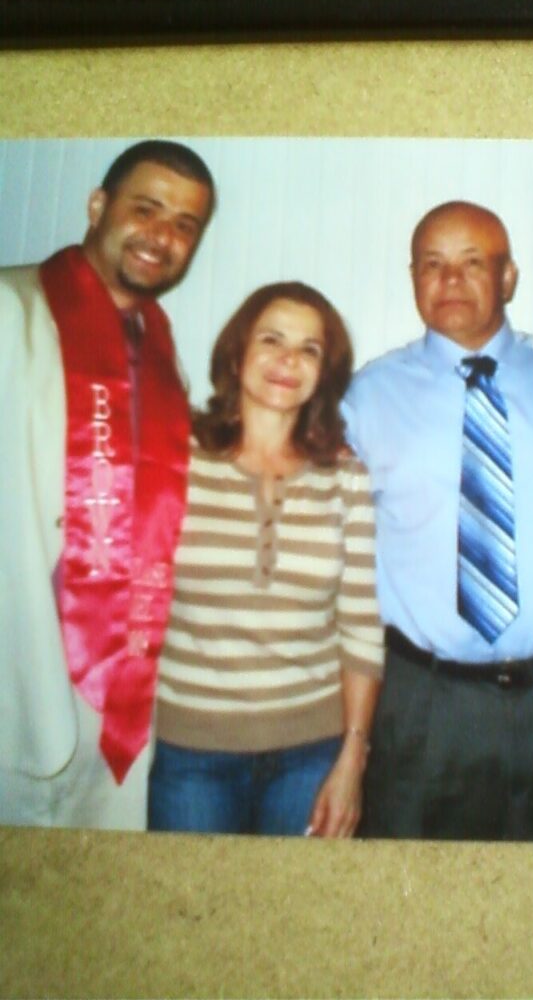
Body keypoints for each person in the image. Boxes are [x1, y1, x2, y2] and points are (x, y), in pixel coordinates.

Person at [342, 200, 533, 841]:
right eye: (431, 265)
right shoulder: (364, 399)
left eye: (473, 263)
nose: (449, 280)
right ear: (412, 276)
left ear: (508, 277)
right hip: (426, 705)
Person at [0, 139, 215, 829]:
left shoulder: (160, 349)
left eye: (185, 224)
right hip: (20, 674)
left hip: (119, 691)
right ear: (98, 206)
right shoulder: (12, 309)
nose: (162, 235)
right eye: (145, 209)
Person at [148, 282, 383, 837]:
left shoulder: (345, 478)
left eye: (309, 349)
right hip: (191, 756)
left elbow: (361, 630)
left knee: (295, 922)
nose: (287, 360)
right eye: (272, 340)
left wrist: (353, 759)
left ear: (326, 371)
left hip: (312, 756)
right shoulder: (174, 460)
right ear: (238, 352)